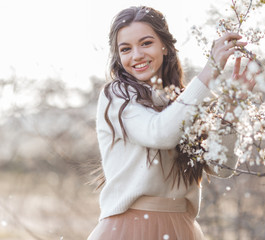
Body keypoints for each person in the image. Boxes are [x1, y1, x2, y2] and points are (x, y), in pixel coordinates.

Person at [87, 5, 254, 240]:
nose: (136, 55)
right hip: (128, 228)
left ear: (164, 46)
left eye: (146, 43)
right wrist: (210, 71)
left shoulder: (188, 100)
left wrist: (231, 111)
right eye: (126, 49)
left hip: (181, 227)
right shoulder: (117, 96)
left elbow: (222, 167)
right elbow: (160, 133)